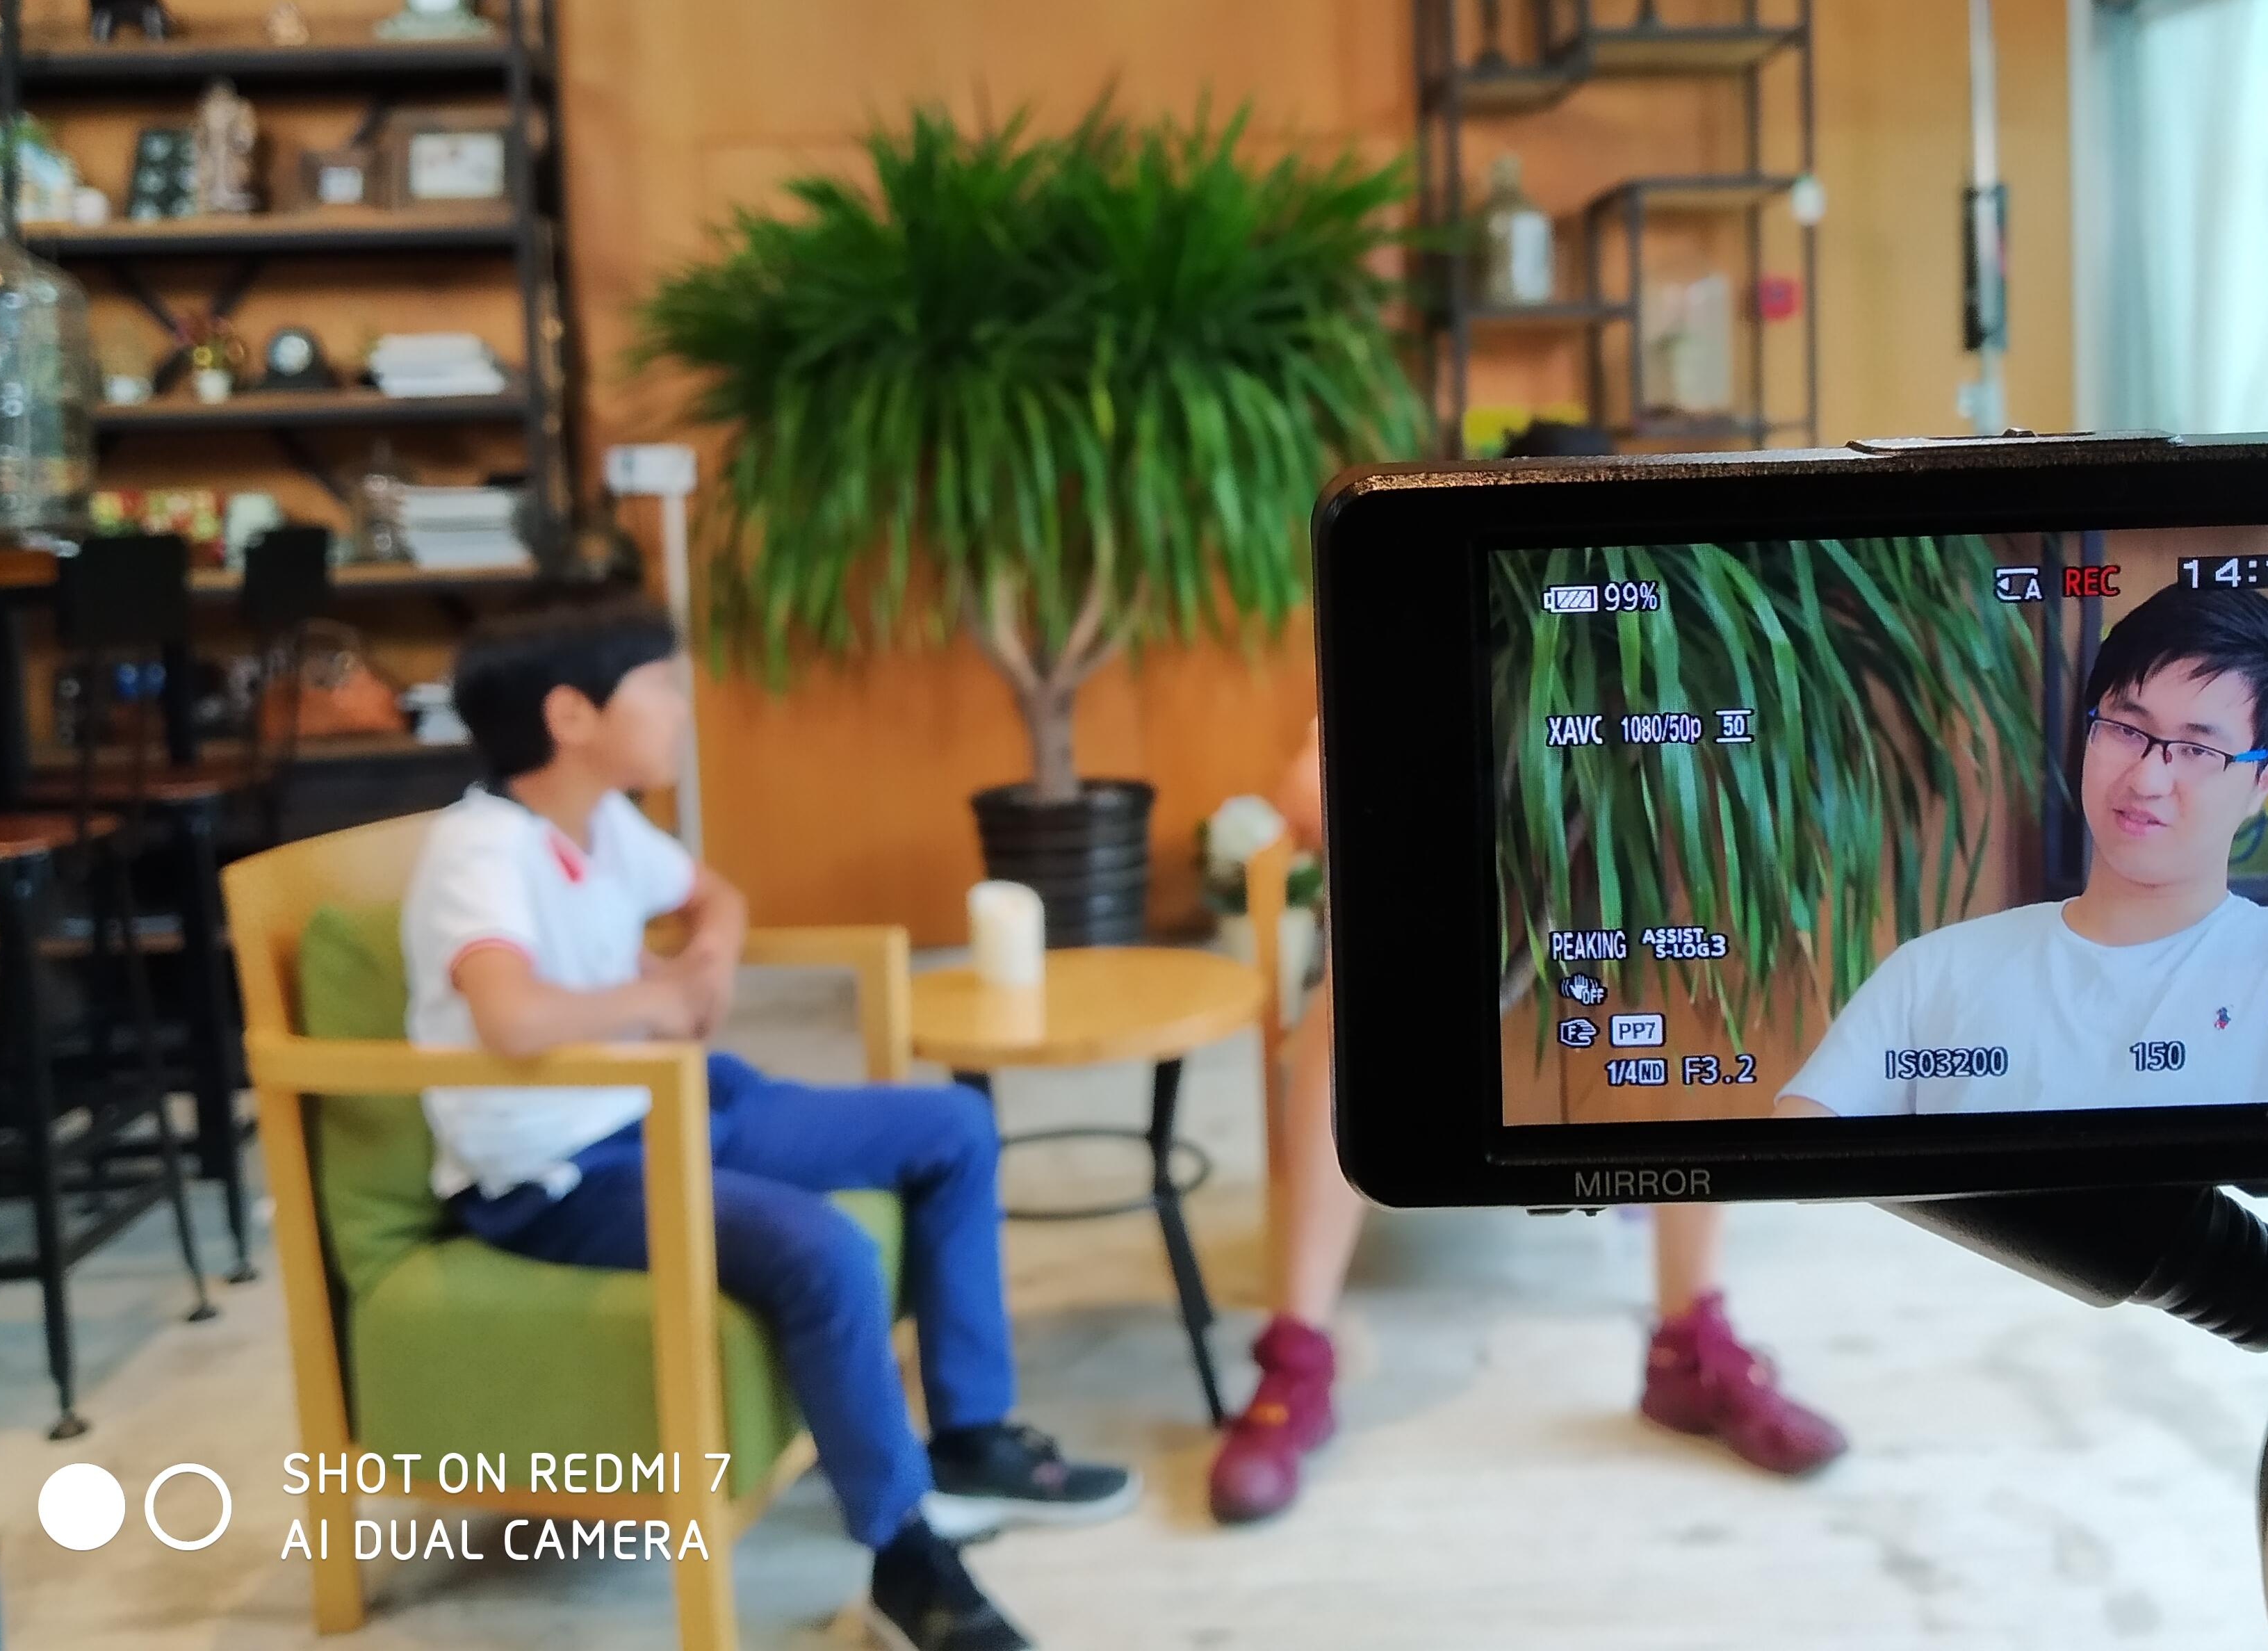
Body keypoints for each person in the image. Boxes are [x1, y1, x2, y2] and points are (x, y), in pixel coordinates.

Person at [401, 601, 1132, 1651]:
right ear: (571, 717)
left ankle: (970, 1439)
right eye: (659, 686)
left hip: (676, 1106)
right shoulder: (483, 849)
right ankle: (904, 1555)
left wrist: (704, 963)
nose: (681, 707)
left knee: (953, 1126)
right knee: (823, 1252)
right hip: (555, 1175)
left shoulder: (602, 824)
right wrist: (654, 999)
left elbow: (717, 896)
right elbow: (508, 1016)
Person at [1209, 719, 1847, 1525]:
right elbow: (1305, 794)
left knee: (1700, 982)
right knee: (1349, 1016)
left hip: (1612, 920)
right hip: (1446, 933)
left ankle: (1690, 1347)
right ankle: (1296, 1360)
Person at [1777, 581, 2268, 1119]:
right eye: (2126, 729)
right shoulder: (1936, 971)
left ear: (2265, 781)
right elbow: (1800, 1170)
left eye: (2197, 749)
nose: (2148, 779)